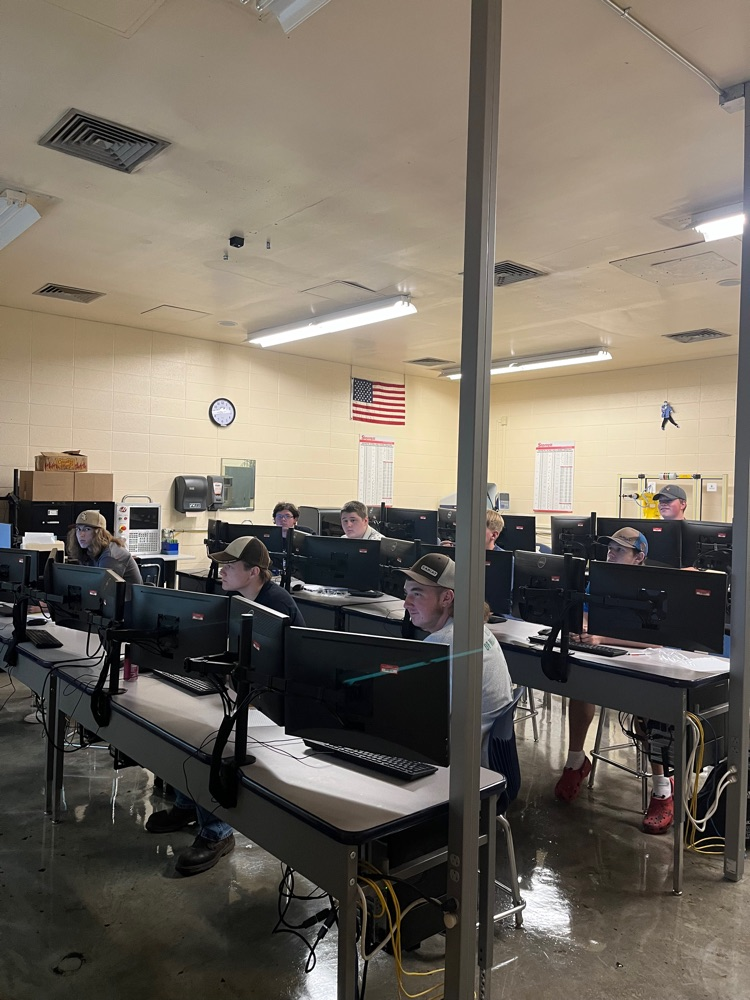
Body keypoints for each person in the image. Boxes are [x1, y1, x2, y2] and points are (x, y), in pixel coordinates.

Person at [146, 536, 305, 875]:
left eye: (230, 567)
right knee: (185, 728)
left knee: (212, 742)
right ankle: (187, 804)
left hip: (275, 710)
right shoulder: (242, 598)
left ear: (253, 572)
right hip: (247, 696)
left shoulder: (275, 606)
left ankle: (217, 832)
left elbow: (288, 667)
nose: (222, 572)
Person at [400, 552, 512, 767]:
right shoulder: (474, 628)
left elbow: (415, 720)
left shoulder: (443, 645)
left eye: (417, 594)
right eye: (407, 593)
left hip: (461, 769)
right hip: (486, 759)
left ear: (446, 598)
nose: (406, 603)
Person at [66, 510, 143, 587]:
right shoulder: (89, 550)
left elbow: (103, 587)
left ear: (99, 533)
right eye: (78, 529)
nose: (81, 534)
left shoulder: (110, 556)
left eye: (87, 529)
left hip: (123, 595)